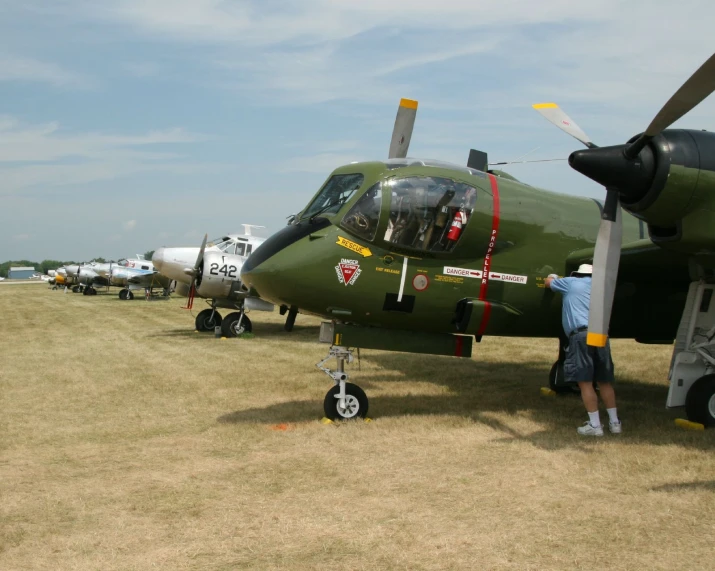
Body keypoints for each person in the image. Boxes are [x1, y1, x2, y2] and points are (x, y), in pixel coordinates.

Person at [545, 264, 622, 436]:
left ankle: (595, 426)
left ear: (578, 274)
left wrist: (553, 276)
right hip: (600, 335)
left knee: (585, 382)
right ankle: (615, 423)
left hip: (580, 335)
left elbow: (549, 283)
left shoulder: (571, 283)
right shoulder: (601, 289)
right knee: (604, 381)